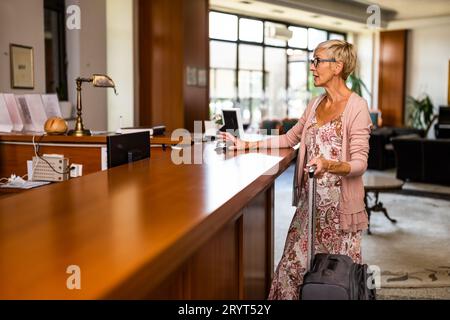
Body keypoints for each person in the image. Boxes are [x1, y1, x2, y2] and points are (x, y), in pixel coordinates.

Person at [219, 39, 372, 300]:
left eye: (317, 61)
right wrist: (245, 144)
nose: (312, 67)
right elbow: (289, 139)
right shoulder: (314, 104)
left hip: (339, 211)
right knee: (291, 267)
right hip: (309, 205)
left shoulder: (356, 107)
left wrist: (328, 164)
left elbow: (360, 163)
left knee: (334, 277)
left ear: (337, 66)